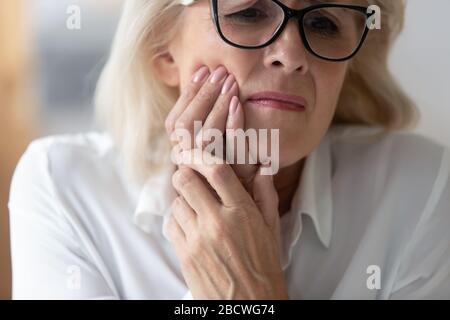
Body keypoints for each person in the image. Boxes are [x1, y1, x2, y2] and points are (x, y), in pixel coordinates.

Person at [9, 0, 450, 299]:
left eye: (323, 23)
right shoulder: (63, 186)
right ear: (162, 51)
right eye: (249, 12)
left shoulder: (420, 189)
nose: (292, 53)